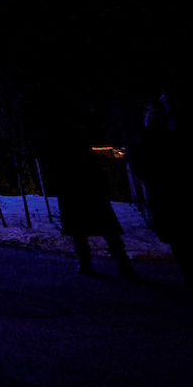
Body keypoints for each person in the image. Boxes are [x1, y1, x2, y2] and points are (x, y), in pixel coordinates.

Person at [38, 104, 139, 279]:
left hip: (75, 188)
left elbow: (52, 162)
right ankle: (120, 264)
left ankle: (90, 263)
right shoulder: (75, 137)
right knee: (103, 229)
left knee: (83, 230)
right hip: (86, 187)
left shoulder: (57, 138)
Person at [131, 93, 190, 285]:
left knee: (177, 236)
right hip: (172, 189)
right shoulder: (172, 136)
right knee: (179, 234)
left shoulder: (147, 138)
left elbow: (138, 166)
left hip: (163, 191)